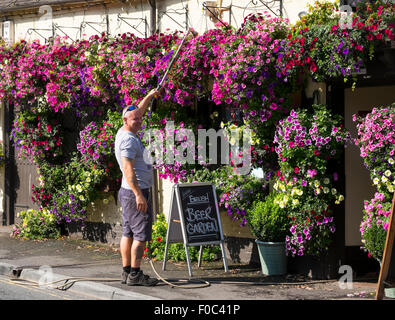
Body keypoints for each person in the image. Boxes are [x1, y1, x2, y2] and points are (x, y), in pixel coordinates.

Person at [115, 88, 161, 286]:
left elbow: (138, 111)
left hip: (128, 192)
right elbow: (128, 169)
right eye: (135, 120)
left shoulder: (124, 131)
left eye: (139, 118)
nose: (139, 121)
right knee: (140, 236)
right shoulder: (128, 141)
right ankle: (135, 274)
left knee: (128, 233)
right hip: (136, 192)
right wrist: (139, 195)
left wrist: (149, 96)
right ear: (126, 121)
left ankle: (126, 272)